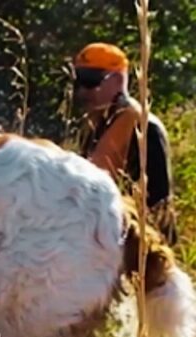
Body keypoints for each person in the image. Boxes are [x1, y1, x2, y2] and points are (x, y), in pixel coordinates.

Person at [73, 42, 178, 245]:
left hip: (143, 241)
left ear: (118, 79)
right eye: (78, 81)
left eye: (90, 81)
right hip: (114, 236)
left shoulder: (142, 125)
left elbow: (158, 202)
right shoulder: (97, 123)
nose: (82, 92)